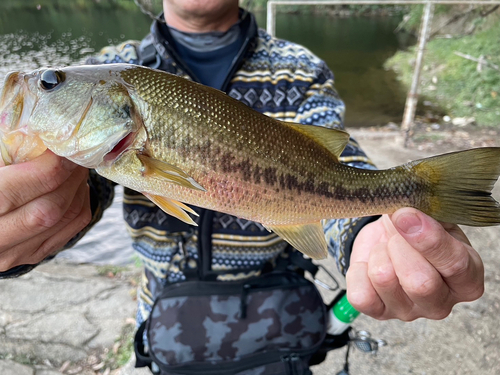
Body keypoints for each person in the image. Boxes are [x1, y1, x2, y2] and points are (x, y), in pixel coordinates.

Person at [0, 0, 484, 373]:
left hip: (281, 327)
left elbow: (343, 165)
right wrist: (28, 225)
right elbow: (82, 194)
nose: (36, 86)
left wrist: (368, 232)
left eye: (48, 83)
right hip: (165, 333)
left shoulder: (299, 71)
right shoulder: (113, 66)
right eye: (52, 82)